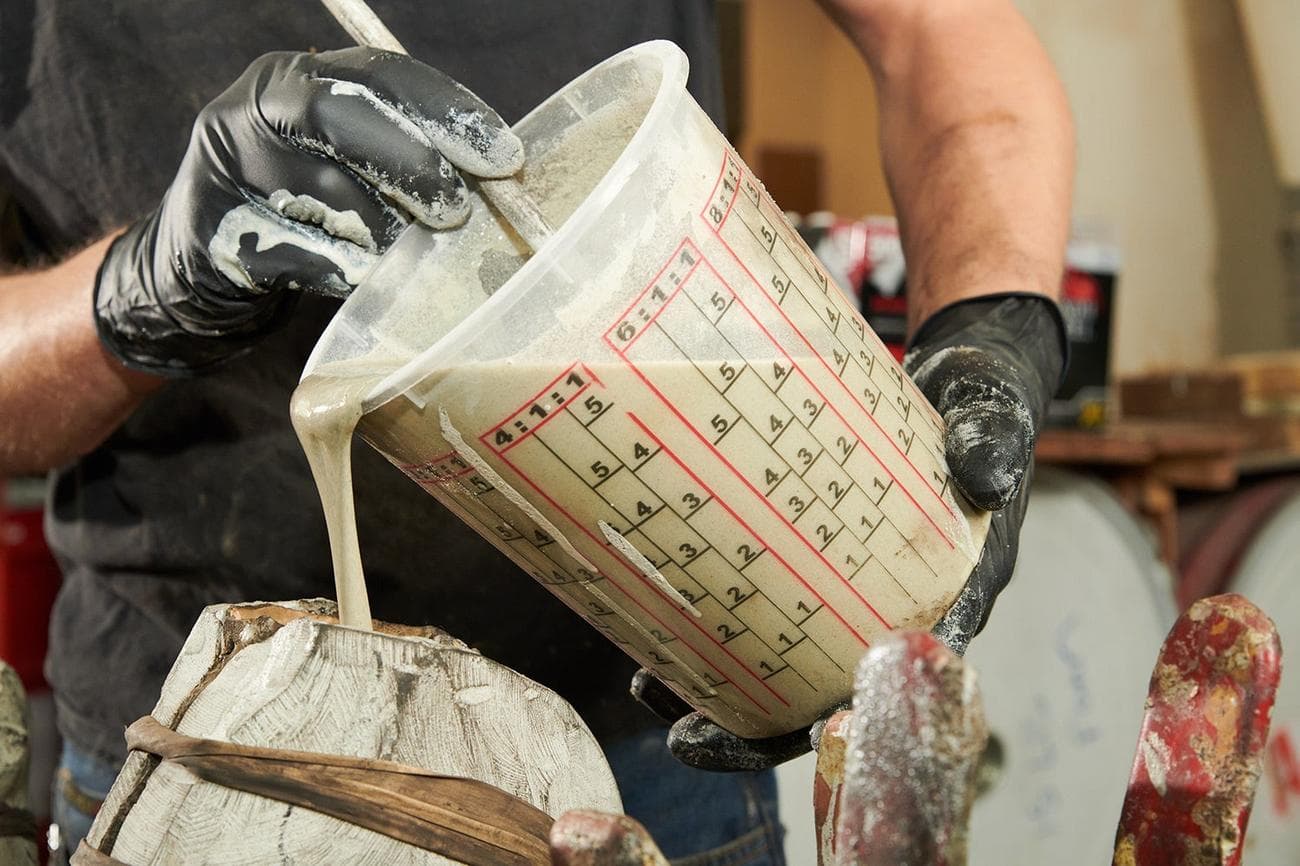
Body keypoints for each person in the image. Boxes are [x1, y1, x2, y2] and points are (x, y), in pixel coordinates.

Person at [0, 0, 1071, 862]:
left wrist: (992, 319)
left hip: (654, 759)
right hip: (210, 771)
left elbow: (941, 26)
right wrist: (144, 285)